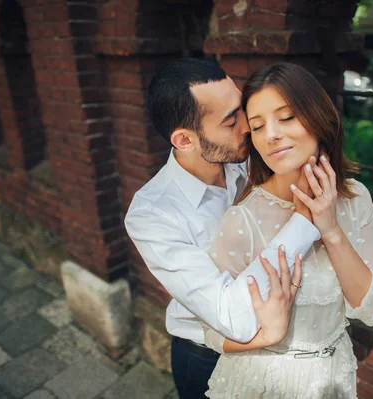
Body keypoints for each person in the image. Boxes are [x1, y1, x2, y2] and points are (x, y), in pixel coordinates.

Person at [124, 58, 322, 398]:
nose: (248, 126)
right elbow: (235, 320)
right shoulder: (152, 215)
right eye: (231, 120)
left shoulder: (252, 155)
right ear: (185, 140)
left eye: (241, 109)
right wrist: (303, 223)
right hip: (207, 359)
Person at [202, 62, 373, 398]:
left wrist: (331, 230)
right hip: (260, 383)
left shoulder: (356, 199)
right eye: (258, 126)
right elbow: (210, 329)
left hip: (332, 379)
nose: (271, 135)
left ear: (318, 117)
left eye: (287, 117)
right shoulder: (243, 219)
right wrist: (266, 336)